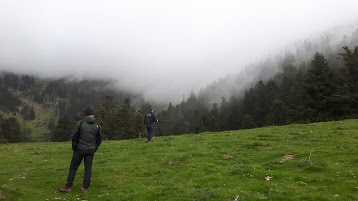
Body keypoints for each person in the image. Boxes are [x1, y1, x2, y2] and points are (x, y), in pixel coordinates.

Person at [59, 107, 102, 193]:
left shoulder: (80, 123)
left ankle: (68, 187)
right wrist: (94, 148)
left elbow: (74, 136)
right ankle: (84, 188)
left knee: (73, 167)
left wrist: (74, 147)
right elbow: (99, 139)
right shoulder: (98, 125)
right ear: (93, 115)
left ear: (85, 115)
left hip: (80, 149)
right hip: (91, 150)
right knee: (88, 169)